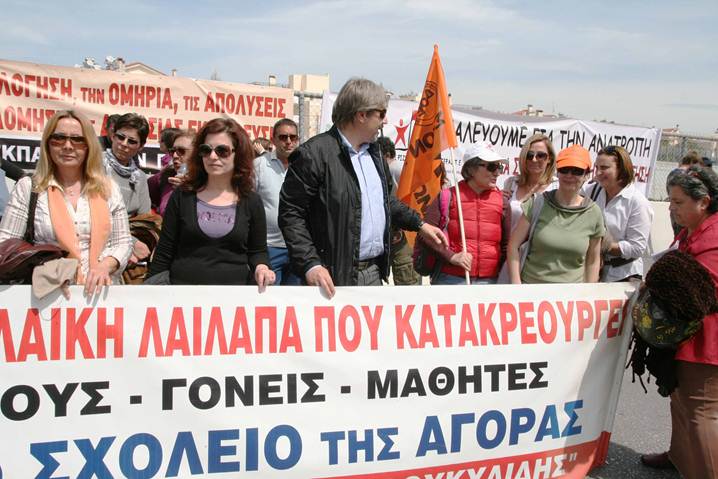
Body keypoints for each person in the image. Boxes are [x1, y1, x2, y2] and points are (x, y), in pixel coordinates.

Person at [279, 77, 447, 297]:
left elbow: (387, 202)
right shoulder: (315, 154)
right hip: (330, 279)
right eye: (381, 114)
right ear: (361, 115)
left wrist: (420, 225)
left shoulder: (375, 154)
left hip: (374, 273)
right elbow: (291, 214)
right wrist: (311, 264)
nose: (385, 121)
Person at [640, 166, 718, 477]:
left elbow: (698, 294)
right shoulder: (691, 230)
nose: (671, 208)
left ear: (704, 202)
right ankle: (679, 456)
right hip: (688, 338)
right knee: (681, 402)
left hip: (707, 343)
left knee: (701, 412)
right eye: (670, 201)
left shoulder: (714, 237)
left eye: (678, 202)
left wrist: (658, 282)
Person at [0, 110, 132, 294]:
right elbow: (5, 244)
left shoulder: (108, 188)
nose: (68, 146)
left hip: (102, 296)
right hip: (48, 296)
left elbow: (123, 242)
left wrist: (106, 265)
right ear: (48, 143)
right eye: (59, 138)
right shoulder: (29, 187)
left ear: (88, 145)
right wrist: (46, 266)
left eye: (77, 139)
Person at [148, 118, 274, 287]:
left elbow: (258, 251)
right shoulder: (182, 196)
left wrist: (262, 267)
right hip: (182, 297)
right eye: (206, 150)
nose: (212, 156)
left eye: (222, 150)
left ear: (238, 154)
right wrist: (152, 291)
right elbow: (164, 252)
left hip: (235, 298)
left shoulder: (251, 201)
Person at [507, 144, 604, 284]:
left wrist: (589, 292)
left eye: (577, 171)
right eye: (564, 170)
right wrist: (517, 286)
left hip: (570, 295)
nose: (569, 175)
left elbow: (593, 261)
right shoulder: (537, 203)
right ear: (557, 173)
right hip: (531, 290)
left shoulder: (593, 212)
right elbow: (513, 246)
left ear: (587, 175)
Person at [421, 142, 511, 285]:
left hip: (490, 282)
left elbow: (507, 246)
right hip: (450, 279)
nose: (497, 173)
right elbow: (426, 235)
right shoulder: (447, 196)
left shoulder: (503, 202)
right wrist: (451, 257)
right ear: (471, 169)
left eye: (499, 167)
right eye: (491, 167)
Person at [586, 145, 653, 282]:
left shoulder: (637, 202)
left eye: (604, 168)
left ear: (621, 169)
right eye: (597, 167)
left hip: (623, 277)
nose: (598, 173)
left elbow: (637, 248)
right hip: (592, 272)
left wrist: (605, 245)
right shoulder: (591, 191)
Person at [254, 119, 301, 285]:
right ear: (273, 139)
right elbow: (248, 205)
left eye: (293, 137)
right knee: (269, 298)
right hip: (269, 247)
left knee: (296, 299)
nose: (288, 141)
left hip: (298, 247)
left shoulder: (305, 165)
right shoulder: (259, 165)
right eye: (283, 137)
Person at [103, 113, 152, 263]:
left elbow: (145, 220)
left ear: (140, 146)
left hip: (132, 250)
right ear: (112, 136)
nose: (124, 144)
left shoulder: (140, 177)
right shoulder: (94, 166)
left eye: (132, 141)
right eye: (120, 137)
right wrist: (130, 243)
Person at [376, 135, 421, 285]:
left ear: (387, 155)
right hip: (397, 229)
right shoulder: (395, 168)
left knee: (406, 276)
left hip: (402, 230)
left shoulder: (394, 168)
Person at [502, 133, 558, 231]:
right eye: (529, 155)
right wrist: (497, 200)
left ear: (550, 159)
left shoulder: (556, 187)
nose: (534, 159)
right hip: (510, 240)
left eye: (541, 155)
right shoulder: (511, 183)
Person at [147, 130, 194, 216]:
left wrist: (189, 190)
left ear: (196, 153)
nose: (175, 156)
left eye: (181, 151)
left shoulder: (209, 182)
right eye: (172, 151)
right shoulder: (164, 177)